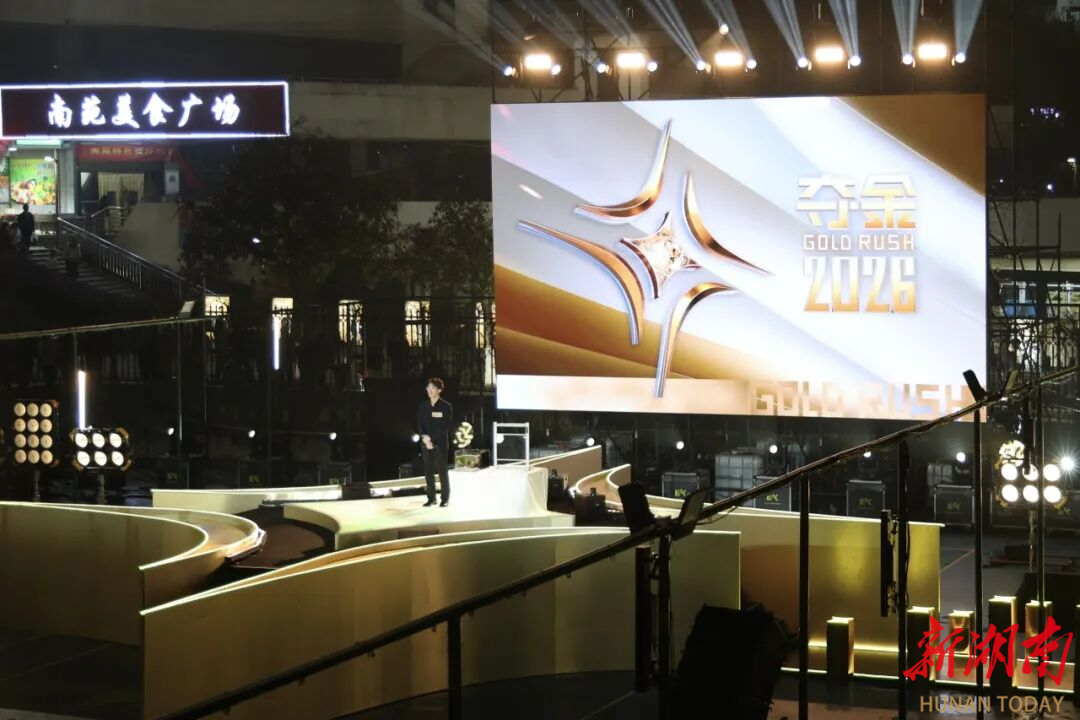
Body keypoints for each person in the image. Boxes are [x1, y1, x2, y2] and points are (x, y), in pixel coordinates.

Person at [416, 377, 453, 507]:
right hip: (426, 443)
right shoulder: (423, 406)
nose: (429, 390)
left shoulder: (446, 406)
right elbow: (420, 424)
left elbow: (445, 427)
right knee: (428, 472)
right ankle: (431, 498)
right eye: (428, 388)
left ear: (439, 390)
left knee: (442, 472)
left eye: (432, 388)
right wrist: (424, 438)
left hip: (440, 445)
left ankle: (445, 499)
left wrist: (431, 439)